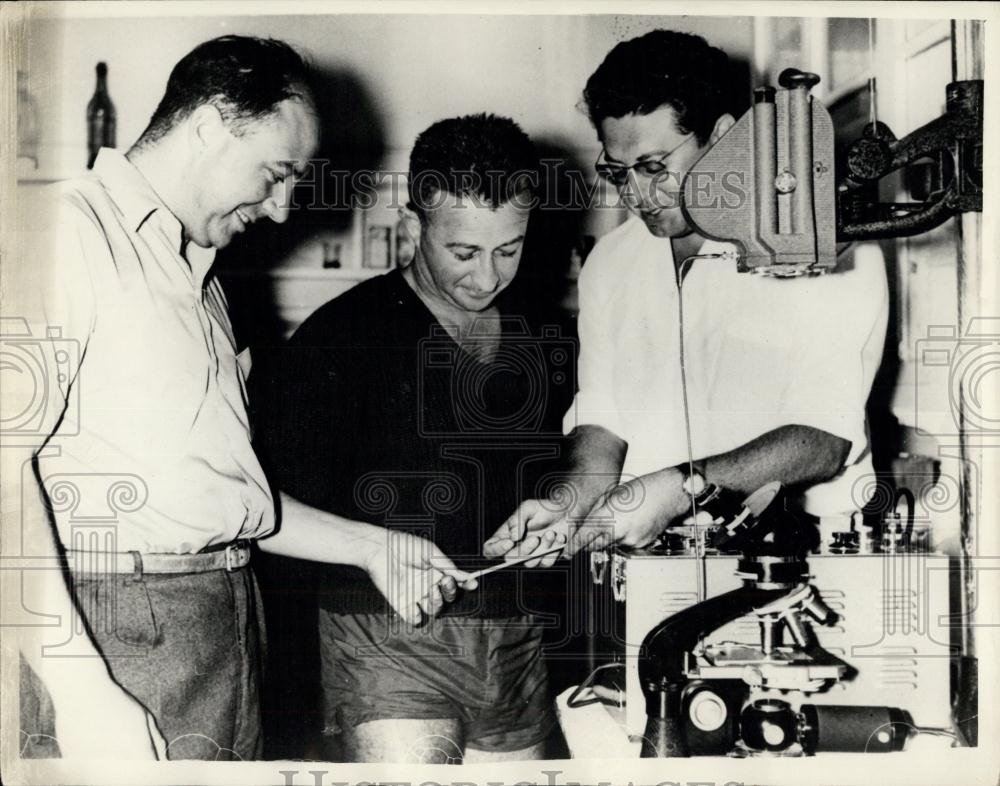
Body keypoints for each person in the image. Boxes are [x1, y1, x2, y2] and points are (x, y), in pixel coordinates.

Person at [9, 35, 472, 762]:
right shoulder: (69, 235)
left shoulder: (203, 277)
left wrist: (374, 547)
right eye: (277, 172)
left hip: (220, 622)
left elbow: (220, 501)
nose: (285, 209)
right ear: (208, 125)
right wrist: (79, 686)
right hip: (117, 628)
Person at [485, 30, 888, 563]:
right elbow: (604, 416)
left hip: (798, 555)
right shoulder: (611, 262)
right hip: (660, 558)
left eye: (654, 168)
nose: (636, 195)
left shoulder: (819, 247)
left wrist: (682, 489)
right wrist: (573, 502)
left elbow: (823, 438)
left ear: (723, 138)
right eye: (617, 171)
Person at [252, 113, 569, 763]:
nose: (487, 277)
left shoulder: (542, 334)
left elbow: (554, 475)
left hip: (515, 641)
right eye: (463, 252)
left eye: (508, 250)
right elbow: (262, 509)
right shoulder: (340, 338)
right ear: (413, 224)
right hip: (384, 642)